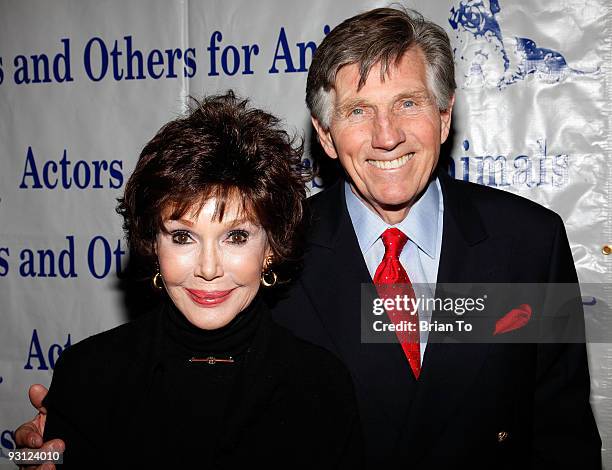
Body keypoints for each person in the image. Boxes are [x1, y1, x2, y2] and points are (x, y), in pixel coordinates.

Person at [16, 6, 602, 469]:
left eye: (407, 103)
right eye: (357, 112)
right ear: (324, 134)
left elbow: (563, 434)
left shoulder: (529, 243)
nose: (386, 135)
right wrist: (53, 440)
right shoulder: (274, 249)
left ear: (445, 116)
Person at [16, 91, 362, 468]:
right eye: (183, 237)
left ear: (270, 248)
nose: (208, 269)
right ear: (153, 244)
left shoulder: (320, 386)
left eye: (236, 236)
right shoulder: (89, 374)